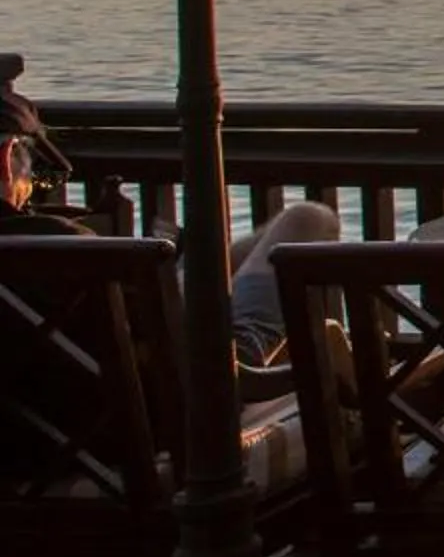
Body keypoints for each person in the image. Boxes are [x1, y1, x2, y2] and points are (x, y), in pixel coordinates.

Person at [2, 80, 336, 366]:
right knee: (309, 219)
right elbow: (172, 332)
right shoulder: (63, 246)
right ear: (6, 160)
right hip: (206, 384)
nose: (33, 186)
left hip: (46, 424)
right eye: (32, 166)